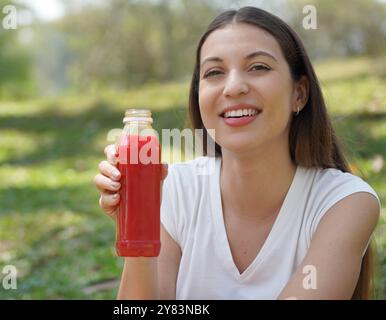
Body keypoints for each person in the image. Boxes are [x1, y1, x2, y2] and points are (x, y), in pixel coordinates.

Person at [93, 7, 381, 300]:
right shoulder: (172, 190)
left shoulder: (343, 202)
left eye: (258, 67)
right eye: (214, 72)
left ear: (300, 93)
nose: (233, 87)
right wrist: (140, 224)